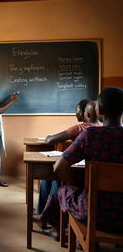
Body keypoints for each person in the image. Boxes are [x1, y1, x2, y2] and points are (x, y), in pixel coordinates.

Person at [55, 87, 123, 234]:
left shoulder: (90, 135)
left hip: (94, 213)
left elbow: (58, 168)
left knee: (62, 190)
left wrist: (81, 186)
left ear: (100, 110)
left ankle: (80, 237)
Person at [33, 99, 101, 240]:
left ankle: (56, 226)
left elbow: (58, 165)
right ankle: (43, 215)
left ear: (85, 114)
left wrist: (74, 183)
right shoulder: (105, 131)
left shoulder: (84, 131)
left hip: (88, 190)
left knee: (59, 181)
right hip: (108, 193)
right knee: (56, 179)